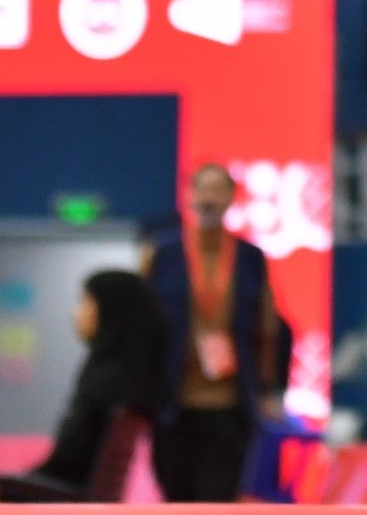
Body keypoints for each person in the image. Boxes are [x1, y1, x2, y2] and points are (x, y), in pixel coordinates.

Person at [145, 163, 285, 502]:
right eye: (202, 189)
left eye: (217, 190)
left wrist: (269, 389)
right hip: (173, 405)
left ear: (231, 198)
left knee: (218, 497)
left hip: (230, 404)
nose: (208, 198)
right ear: (189, 195)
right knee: (176, 497)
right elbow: (144, 327)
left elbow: (269, 327)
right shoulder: (162, 254)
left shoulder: (251, 258)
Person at [0, 271, 168, 502]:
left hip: (65, 498)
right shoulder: (131, 381)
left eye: (85, 302)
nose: (74, 313)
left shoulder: (104, 382)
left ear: (111, 311)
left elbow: (68, 461)